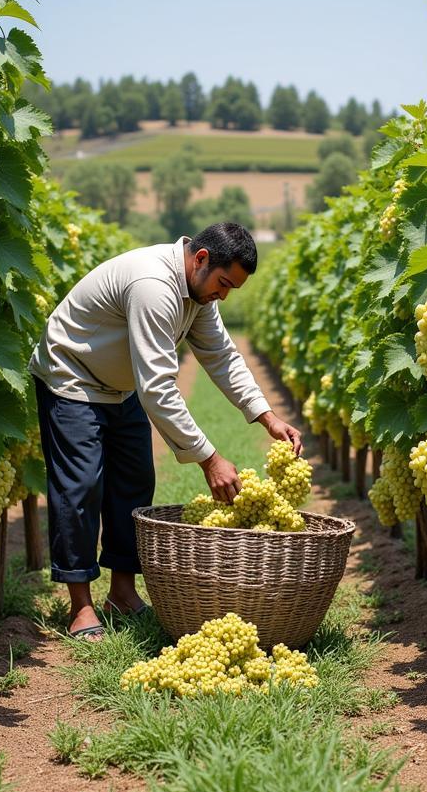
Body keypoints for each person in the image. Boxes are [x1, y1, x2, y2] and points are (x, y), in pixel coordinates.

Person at [28, 222, 302, 639]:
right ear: (202, 259)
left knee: (135, 481)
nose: (223, 296)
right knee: (80, 485)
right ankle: (81, 607)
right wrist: (209, 459)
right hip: (73, 377)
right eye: (223, 284)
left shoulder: (198, 292)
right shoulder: (154, 284)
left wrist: (267, 416)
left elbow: (222, 357)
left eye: (232, 291)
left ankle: (121, 593)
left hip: (122, 386)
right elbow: (157, 386)